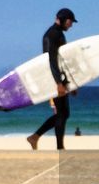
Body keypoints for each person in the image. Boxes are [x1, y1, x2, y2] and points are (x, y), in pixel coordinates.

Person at [27, 8, 77, 150]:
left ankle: (35, 137)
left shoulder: (58, 34)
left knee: (64, 113)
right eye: (70, 21)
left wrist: (70, 84)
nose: (71, 25)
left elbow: (62, 61)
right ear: (61, 19)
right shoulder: (51, 35)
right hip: (53, 80)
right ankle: (58, 147)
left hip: (59, 79)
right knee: (62, 113)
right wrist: (59, 83)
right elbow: (51, 61)